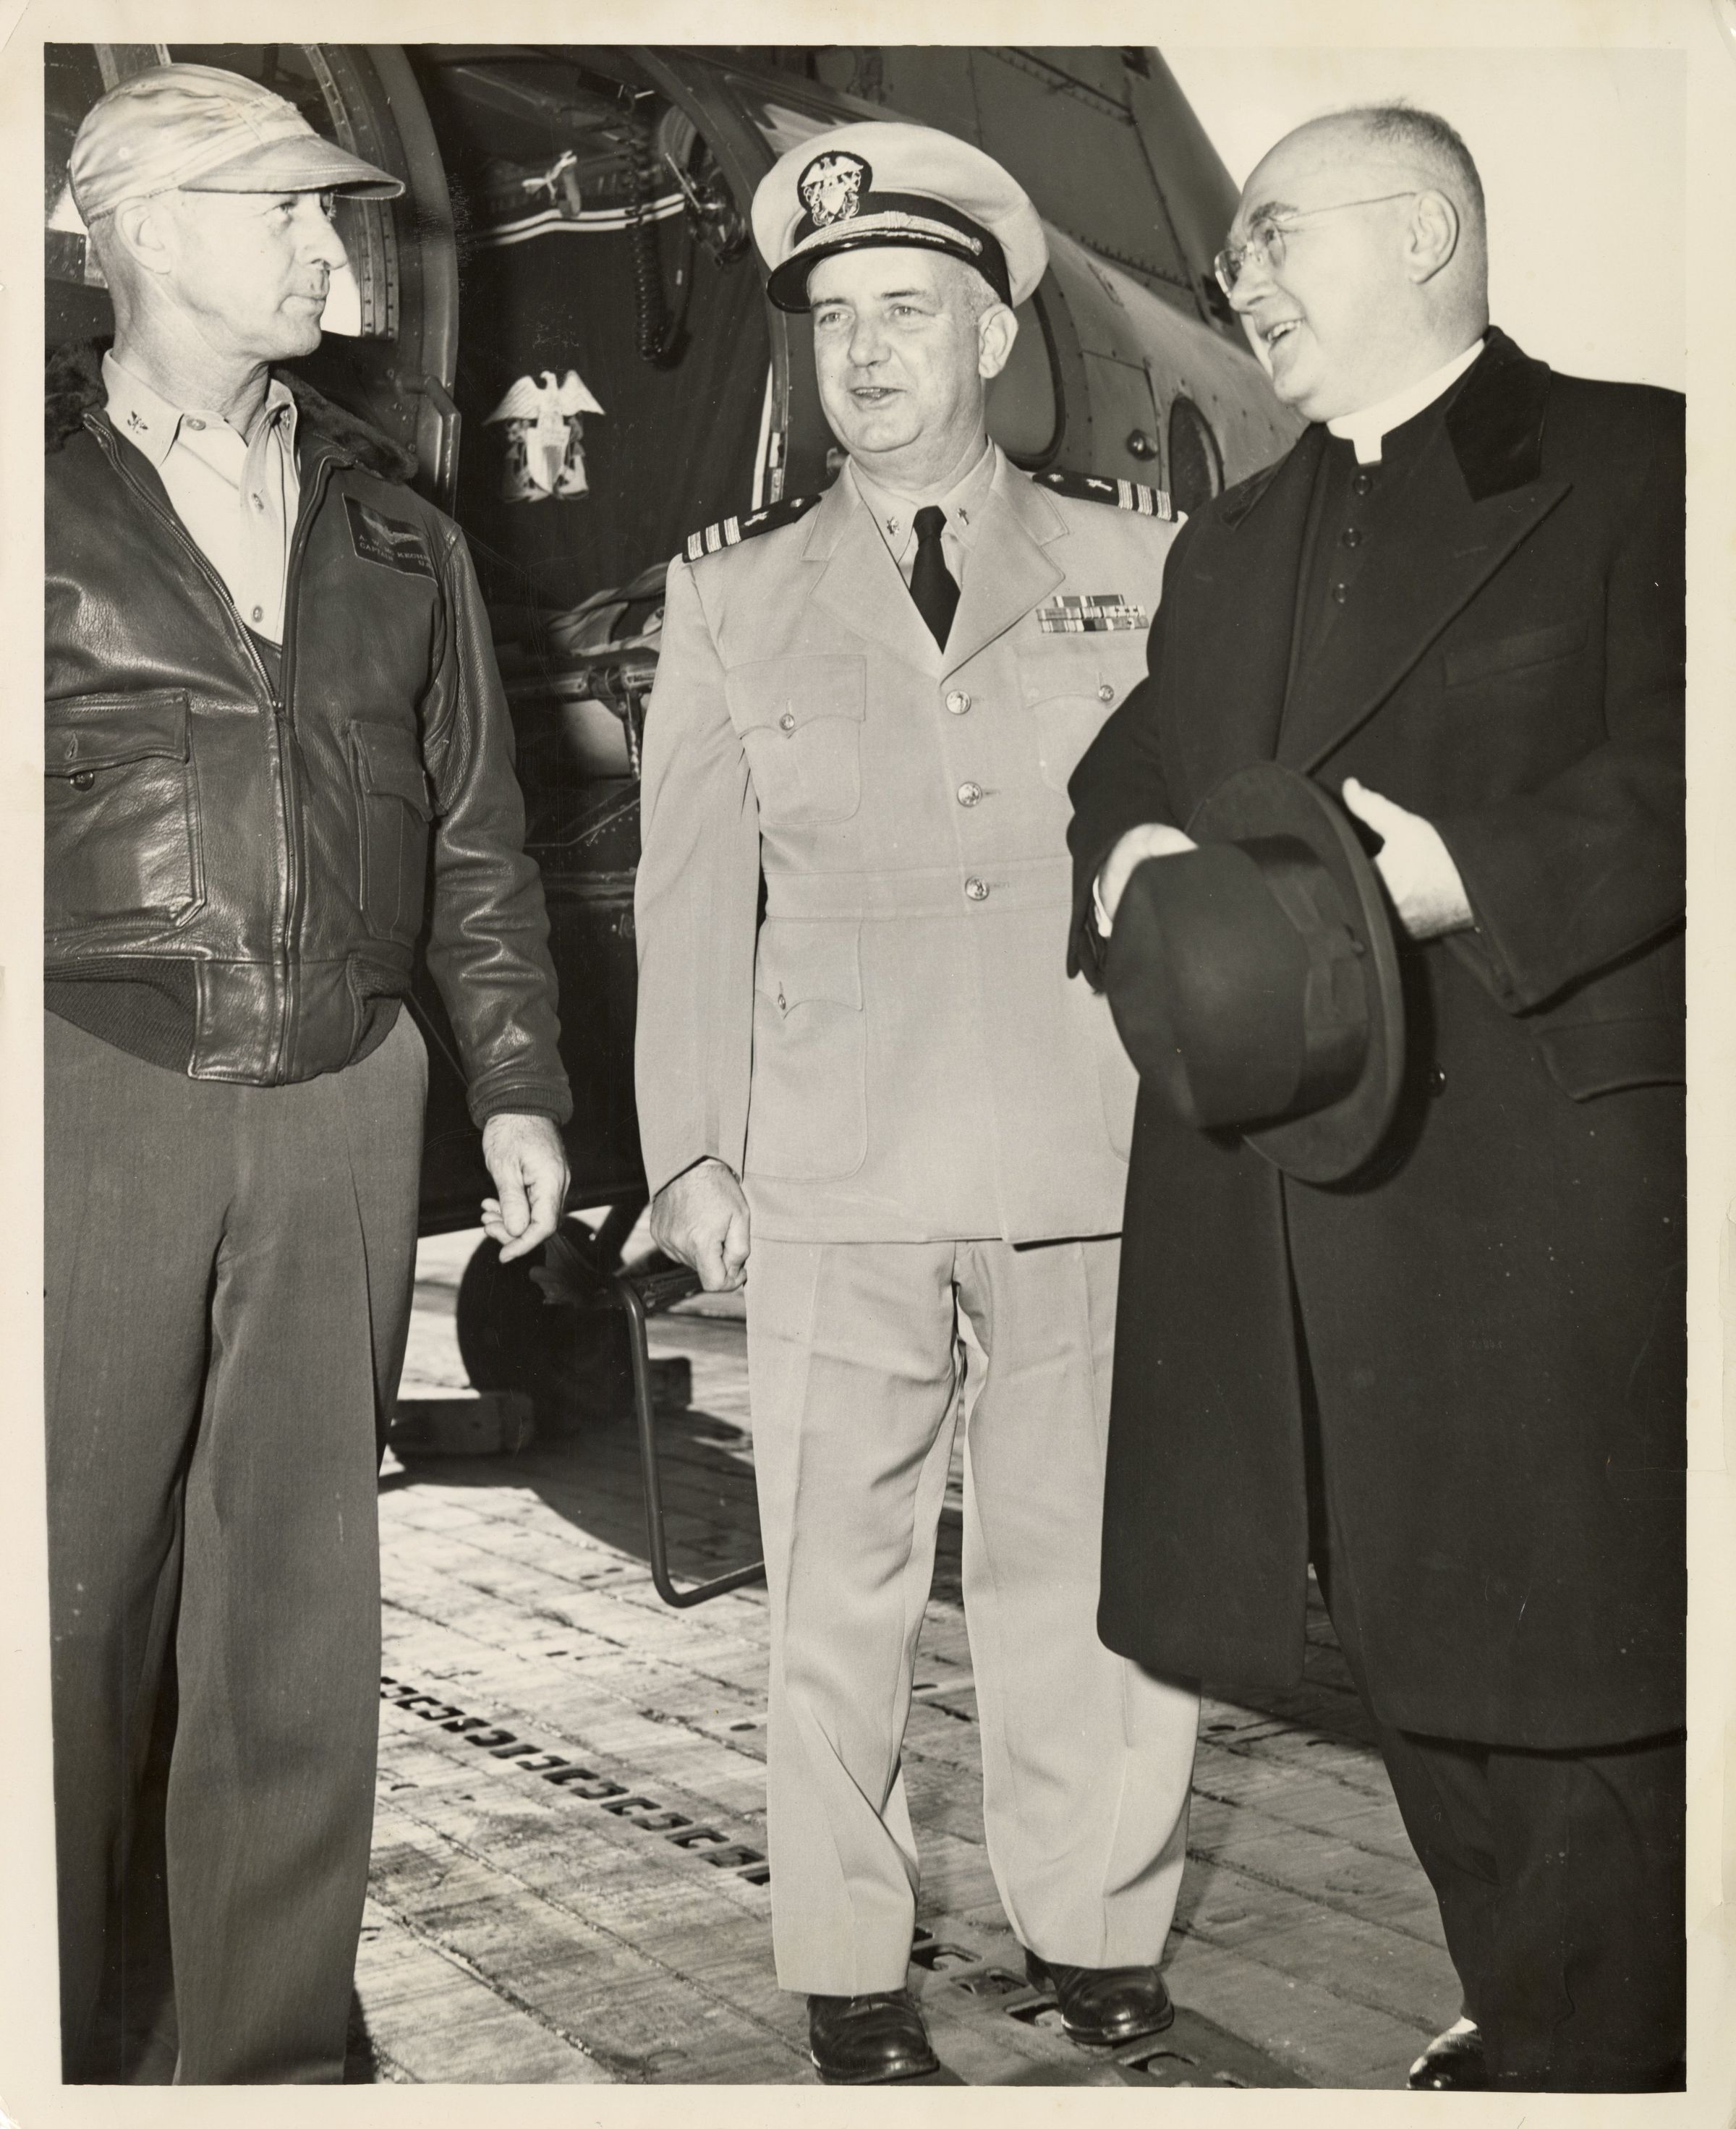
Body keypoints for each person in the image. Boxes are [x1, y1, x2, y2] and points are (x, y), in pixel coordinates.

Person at [1068, 106, 1684, 2093]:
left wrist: (1473, 875)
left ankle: (1605, 2043)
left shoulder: (1639, 465)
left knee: (1572, 1677)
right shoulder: (1237, 538)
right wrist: (1128, 868)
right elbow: (1127, 772)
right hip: (1299, 1190)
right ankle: (1543, 2012)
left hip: (1536, 1192)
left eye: (1271, 237)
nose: (1237, 281)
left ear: (1420, 233)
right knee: (1411, 1659)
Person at [634, 120, 1199, 2085]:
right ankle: (850, 1967)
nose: (869, 353)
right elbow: (694, 893)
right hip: (837, 1170)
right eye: (837, 320)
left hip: (1096, 1151)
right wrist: (693, 1152)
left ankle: (1100, 1930)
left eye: (910, 312)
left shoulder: (1146, 569)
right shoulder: (728, 603)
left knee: (1090, 1579)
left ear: (992, 335)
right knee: (836, 1596)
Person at [46, 64, 571, 2083]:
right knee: (66, 1618)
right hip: (84, 1079)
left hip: (349, 1092)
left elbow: (473, 836)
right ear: (154, 229)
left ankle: (261, 2065)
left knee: (293, 1629)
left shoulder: (393, 525)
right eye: (282, 211)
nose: (325, 248)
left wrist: (513, 1082)